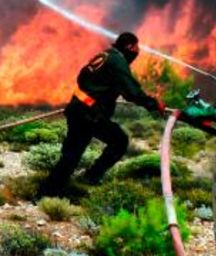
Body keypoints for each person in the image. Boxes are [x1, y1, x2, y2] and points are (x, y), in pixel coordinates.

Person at [38, 32, 165, 196]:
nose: (137, 52)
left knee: (71, 155)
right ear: (130, 46)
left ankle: (47, 192)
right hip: (90, 114)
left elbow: (82, 77)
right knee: (119, 141)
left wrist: (100, 92)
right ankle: (90, 177)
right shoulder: (118, 61)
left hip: (77, 109)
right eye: (136, 48)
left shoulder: (104, 56)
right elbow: (131, 92)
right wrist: (153, 103)